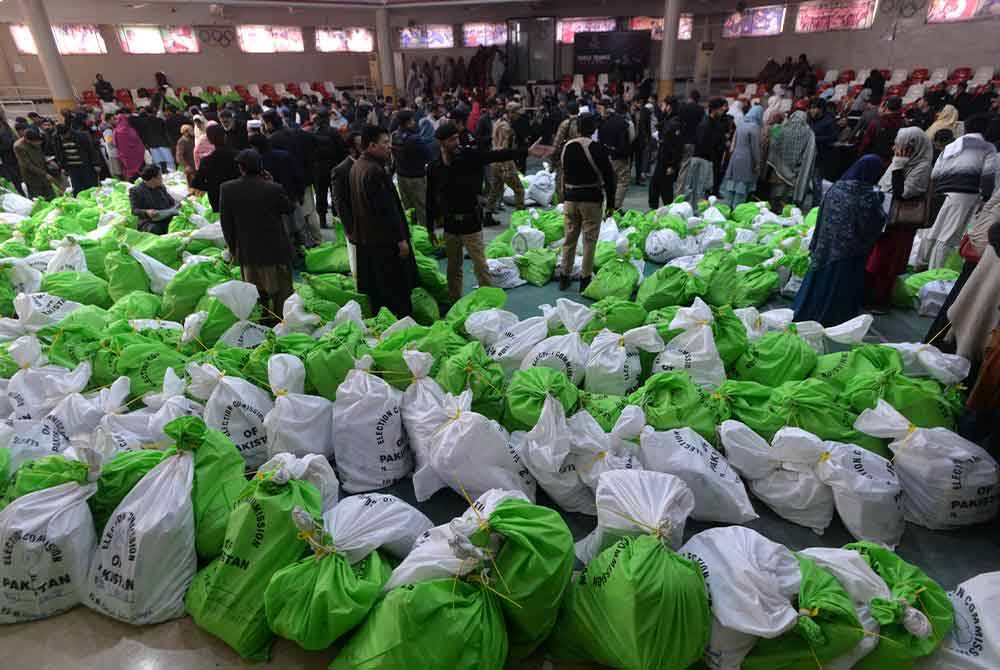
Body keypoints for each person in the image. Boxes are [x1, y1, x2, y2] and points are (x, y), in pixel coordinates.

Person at [426, 122, 551, 304]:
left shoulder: (468, 156)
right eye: (452, 140)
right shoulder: (435, 167)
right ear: (441, 142)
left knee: (480, 265)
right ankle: (454, 301)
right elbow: (429, 196)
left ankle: (488, 302)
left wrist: (525, 152)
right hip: (450, 224)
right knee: (453, 267)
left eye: (456, 138)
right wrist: (429, 227)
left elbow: (494, 155)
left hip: (471, 222)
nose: (456, 142)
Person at [793, 156, 887, 326]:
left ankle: (806, 310)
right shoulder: (867, 197)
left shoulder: (837, 187)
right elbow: (872, 223)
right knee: (837, 287)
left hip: (824, 247)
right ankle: (832, 318)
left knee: (817, 282)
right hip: (848, 254)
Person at [219, 149, 296, 325]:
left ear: (241, 168)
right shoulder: (273, 188)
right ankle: (280, 323)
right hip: (275, 250)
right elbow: (289, 208)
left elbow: (227, 225)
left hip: (248, 252)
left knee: (255, 292)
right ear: (260, 167)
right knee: (281, 291)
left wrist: (234, 249)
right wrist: (272, 182)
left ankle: (262, 323)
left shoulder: (228, 189)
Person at [350, 125, 418, 317]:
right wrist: (401, 240)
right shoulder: (374, 171)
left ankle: (386, 321)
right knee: (396, 289)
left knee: (378, 288)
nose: (390, 147)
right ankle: (402, 323)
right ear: (372, 145)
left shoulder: (358, 166)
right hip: (385, 241)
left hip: (369, 239)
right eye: (385, 143)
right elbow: (386, 211)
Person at [864, 128, 934, 312]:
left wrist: (898, 167)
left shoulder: (921, 166)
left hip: (900, 223)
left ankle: (880, 301)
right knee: (876, 258)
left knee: (887, 261)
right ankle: (868, 295)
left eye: (900, 144)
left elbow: (902, 193)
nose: (895, 147)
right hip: (885, 216)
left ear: (912, 147)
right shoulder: (900, 161)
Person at [915, 115, 997, 270]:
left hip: (940, 192)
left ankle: (919, 265)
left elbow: (934, 174)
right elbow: (987, 177)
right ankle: (932, 274)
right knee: (947, 237)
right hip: (964, 196)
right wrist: (985, 199)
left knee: (932, 232)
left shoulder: (951, 146)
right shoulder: (987, 148)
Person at [558, 114, 617, 293]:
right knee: (589, 241)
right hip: (591, 200)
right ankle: (585, 278)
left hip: (570, 199)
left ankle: (564, 276)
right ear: (593, 129)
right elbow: (609, 177)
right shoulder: (597, 149)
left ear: (578, 128)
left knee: (569, 239)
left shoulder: (566, 147)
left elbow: (562, 173)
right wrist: (611, 203)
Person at [391, 110, 434, 234]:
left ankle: (412, 233)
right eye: (412, 120)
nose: (414, 122)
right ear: (407, 123)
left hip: (401, 176)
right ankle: (426, 235)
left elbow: (393, 156)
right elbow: (428, 155)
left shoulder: (394, 136)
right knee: (422, 208)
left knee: (409, 208)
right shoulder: (414, 139)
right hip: (416, 177)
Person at [767, 110, 816, 209]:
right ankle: (785, 212)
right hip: (795, 170)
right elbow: (810, 152)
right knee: (789, 194)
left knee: (776, 191)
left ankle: (773, 210)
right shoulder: (809, 133)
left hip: (779, 168)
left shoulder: (781, 129)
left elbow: (773, 146)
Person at [682, 98, 727, 203]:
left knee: (700, 188)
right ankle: (693, 210)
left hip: (707, 159)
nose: (722, 112)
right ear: (714, 110)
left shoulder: (715, 123)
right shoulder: (705, 124)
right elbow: (704, 143)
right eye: (721, 110)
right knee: (695, 187)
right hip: (701, 159)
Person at [719, 104, 763, 208]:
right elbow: (755, 148)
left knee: (732, 185)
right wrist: (757, 162)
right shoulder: (755, 127)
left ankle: (727, 207)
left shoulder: (741, 124)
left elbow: (733, 143)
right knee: (741, 187)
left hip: (735, 157)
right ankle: (737, 209)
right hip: (746, 159)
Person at [311, 107, 347, 229]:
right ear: (327, 118)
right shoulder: (333, 132)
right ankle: (337, 218)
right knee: (335, 193)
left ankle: (322, 220)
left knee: (321, 194)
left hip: (318, 169)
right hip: (333, 167)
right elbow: (342, 150)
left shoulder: (312, 132)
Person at [332, 131, 362, 279]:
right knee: (357, 259)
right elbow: (339, 202)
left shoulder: (370, 164)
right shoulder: (341, 170)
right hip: (354, 223)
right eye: (360, 145)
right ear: (351, 149)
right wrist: (349, 228)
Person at [486, 102, 525, 213]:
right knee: (519, 190)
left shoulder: (498, 122)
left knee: (495, 190)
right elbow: (505, 149)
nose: (518, 116)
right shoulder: (506, 127)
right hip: (505, 163)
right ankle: (520, 216)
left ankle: (488, 216)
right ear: (511, 113)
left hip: (494, 162)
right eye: (517, 113)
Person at [191, 123, 240, 212]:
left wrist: (212, 187)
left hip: (218, 199)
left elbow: (196, 183)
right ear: (225, 136)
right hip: (238, 195)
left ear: (209, 141)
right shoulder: (238, 155)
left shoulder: (206, 161)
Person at [648, 97, 684, 208]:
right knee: (662, 187)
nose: (662, 108)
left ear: (669, 107)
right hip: (663, 158)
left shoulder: (674, 123)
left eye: (663, 105)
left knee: (660, 186)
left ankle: (661, 209)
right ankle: (665, 209)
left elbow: (676, 147)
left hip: (667, 161)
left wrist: (672, 165)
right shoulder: (669, 120)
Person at [598, 100, 632, 211]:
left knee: (610, 182)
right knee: (623, 181)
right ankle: (615, 206)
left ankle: (608, 205)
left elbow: (600, 140)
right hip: (619, 157)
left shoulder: (603, 122)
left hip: (606, 155)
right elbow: (627, 141)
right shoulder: (623, 123)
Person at [53, 119, 100, 195]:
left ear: (68, 132)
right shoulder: (57, 139)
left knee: (90, 186)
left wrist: (96, 164)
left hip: (86, 165)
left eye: (64, 135)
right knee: (77, 188)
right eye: (60, 135)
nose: (62, 137)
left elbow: (91, 150)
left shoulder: (81, 136)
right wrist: (62, 167)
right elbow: (59, 153)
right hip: (72, 167)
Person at [129, 165, 178, 234]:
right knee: (156, 229)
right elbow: (134, 210)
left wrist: (177, 204)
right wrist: (146, 212)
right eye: (160, 176)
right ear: (153, 179)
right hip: (150, 222)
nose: (162, 178)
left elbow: (171, 201)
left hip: (166, 216)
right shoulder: (136, 191)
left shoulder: (161, 187)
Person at [857, 96, 905, 163]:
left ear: (885, 107)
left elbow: (865, 144)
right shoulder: (904, 124)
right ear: (900, 107)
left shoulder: (877, 122)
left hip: (873, 161)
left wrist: (859, 156)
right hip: (892, 163)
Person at [14, 128, 56, 199]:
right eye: (36, 142)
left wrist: (48, 161)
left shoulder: (36, 139)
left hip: (42, 170)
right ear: (27, 140)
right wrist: (44, 174)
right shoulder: (19, 146)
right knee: (38, 197)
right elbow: (27, 165)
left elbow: (40, 154)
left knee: (51, 194)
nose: (38, 143)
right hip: (32, 176)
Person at [132, 106, 174, 172]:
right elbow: (166, 133)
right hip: (163, 143)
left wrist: (146, 144)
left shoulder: (143, 122)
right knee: (169, 162)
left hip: (152, 145)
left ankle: (160, 176)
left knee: (157, 164)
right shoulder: (160, 120)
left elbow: (143, 134)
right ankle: (174, 175)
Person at [808, 97, 837, 189]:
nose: (811, 110)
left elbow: (833, 137)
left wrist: (814, 139)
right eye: (810, 108)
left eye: (814, 108)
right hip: (807, 156)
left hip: (820, 158)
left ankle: (817, 203)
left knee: (817, 183)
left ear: (821, 109)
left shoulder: (829, 121)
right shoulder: (809, 120)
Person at [113, 111, 146, 182]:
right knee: (140, 170)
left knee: (130, 171)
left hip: (125, 156)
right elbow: (138, 141)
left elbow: (115, 143)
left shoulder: (116, 131)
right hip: (136, 154)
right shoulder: (131, 129)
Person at [0, 110, 23, 193]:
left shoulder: (5, 124)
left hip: (15, 154)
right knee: (16, 179)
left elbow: (14, 136)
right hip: (7, 157)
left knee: (21, 176)